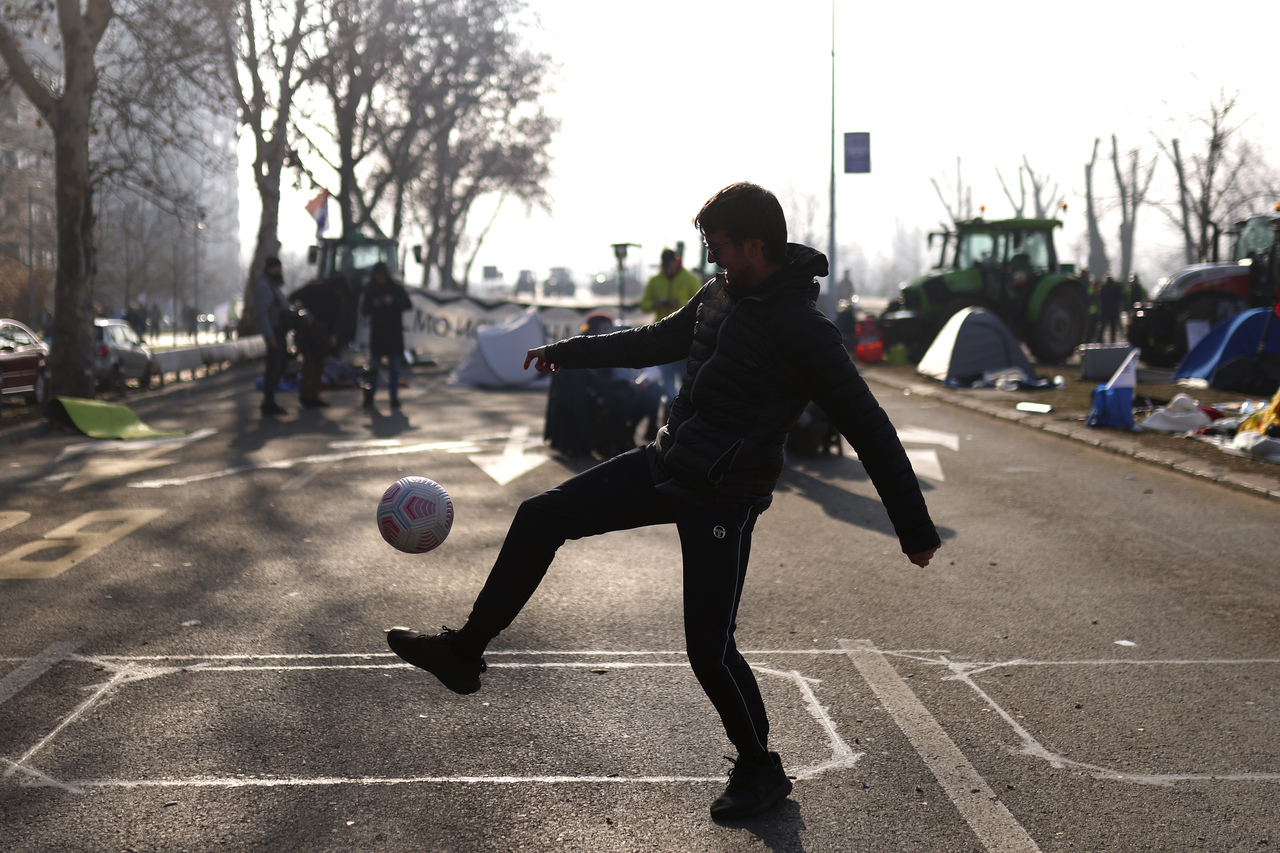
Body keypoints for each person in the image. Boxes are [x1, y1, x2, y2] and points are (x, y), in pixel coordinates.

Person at [385, 182, 941, 821]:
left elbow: (869, 424)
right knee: (540, 516)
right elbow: (651, 342)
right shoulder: (720, 295)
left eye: (721, 247)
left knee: (709, 646)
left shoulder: (803, 330)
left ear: (757, 245)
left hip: (723, 497)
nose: (713, 259)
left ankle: (760, 769)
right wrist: (567, 354)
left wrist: (913, 526)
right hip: (669, 462)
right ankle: (463, 653)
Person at [640, 248, 703, 404]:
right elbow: (644, 305)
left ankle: (682, 408)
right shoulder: (654, 281)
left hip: (686, 339)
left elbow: (702, 304)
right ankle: (668, 406)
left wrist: (680, 303)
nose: (668, 269)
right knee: (666, 379)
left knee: (686, 379)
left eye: (670, 265)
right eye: (665, 266)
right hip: (663, 338)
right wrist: (655, 303)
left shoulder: (691, 279)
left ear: (677, 262)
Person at [289, 273, 349, 409]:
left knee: (319, 365)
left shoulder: (337, 299)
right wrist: (304, 314)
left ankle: (314, 395)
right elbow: (293, 298)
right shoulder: (315, 289)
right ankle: (305, 396)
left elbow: (335, 319)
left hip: (322, 336)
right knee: (309, 365)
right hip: (307, 333)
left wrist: (333, 336)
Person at [361, 261, 412, 409]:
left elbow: (407, 304)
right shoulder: (371, 290)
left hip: (393, 335)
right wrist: (374, 304)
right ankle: (370, 396)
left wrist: (393, 302)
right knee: (374, 368)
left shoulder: (396, 289)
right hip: (378, 335)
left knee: (395, 369)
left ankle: (394, 398)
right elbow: (364, 310)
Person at [251, 255, 291, 417]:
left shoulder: (270, 283)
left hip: (278, 330)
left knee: (280, 364)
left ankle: (270, 400)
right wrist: (270, 336)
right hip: (274, 332)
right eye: (277, 268)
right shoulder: (264, 285)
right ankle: (269, 401)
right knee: (274, 366)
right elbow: (262, 313)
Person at [1098, 273, 1124, 343]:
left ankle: (1112, 341)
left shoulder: (1114, 289)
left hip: (1113, 311)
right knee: (1103, 327)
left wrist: (1118, 289)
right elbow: (1103, 297)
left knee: (1113, 328)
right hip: (1106, 311)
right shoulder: (1104, 288)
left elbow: (1121, 297)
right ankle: (1100, 340)